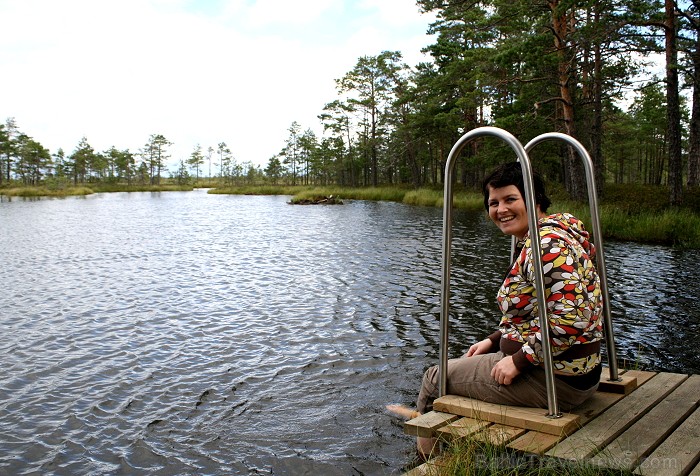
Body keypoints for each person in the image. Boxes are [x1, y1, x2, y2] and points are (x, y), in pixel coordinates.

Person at [387, 161, 603, 456]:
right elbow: (537, 312)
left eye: (510, 199)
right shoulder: (551, 234)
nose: (501, 209)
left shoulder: (547, 247)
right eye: (493, 202)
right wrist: (494, 339)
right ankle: (438, 429)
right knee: (458, 371)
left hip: (556, 380)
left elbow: (571, 319)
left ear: (534, 198)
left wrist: (519, 361)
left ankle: (428, 456)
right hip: (572, 372)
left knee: (435, 377)